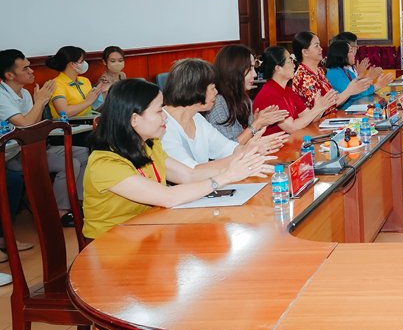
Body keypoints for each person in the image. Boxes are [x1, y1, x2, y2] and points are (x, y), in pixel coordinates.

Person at [82, 79, 270, 239]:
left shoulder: (150, 145)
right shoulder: (105, 163)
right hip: (112, 242)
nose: (165, 117)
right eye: (158, 111)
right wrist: (226, 176)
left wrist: (239, 169)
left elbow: (188, 175)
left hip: (149, 229)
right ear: (134, 119)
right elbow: (168, 197)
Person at [1, 49, 88, 227]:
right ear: (9, 75)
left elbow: (35, 125)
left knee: (84, 154)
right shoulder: (2, 96)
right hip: (11, 155)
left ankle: (78, 202)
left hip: (31, 147)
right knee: (70, 164)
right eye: (25, 68)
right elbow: (24, 125)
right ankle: (59, 211)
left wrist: (39, 104)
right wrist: (40, 101)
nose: (31, 71)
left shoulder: (24, 93)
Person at [161, 59, 285, 170]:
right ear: (196, 90)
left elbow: (227, 149)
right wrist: (245, 152)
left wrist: (255, 147)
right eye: (212, 88)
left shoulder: (196, 118)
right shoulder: (163, 124)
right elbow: (189, 172)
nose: (216, 92)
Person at [206, 45, 288, 143]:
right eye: (249, 69)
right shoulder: (217, 103)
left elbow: (248, 140)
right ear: (233, 70)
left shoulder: (244, 100)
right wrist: (256, 124)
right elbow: (227, 148)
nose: (255, 74)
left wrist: (259, 123)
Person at [256, 46, 339, 135]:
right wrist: (318, 109)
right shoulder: (270, 95)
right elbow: (291, 127)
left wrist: (321, 107)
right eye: (290, 61)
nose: (294, 65)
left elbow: (310, 118)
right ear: (278, 69)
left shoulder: (287, 91)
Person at [290, 32, 371, 114]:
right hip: (319, 121)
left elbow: (333, 99)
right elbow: (321, 109)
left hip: (332, 116)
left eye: (319, 45)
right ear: (305, 52)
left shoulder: (319, 70)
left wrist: (350, 90)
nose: (321, 49)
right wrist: (349, 91)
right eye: (316, 46)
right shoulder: (303, 76)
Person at [46, 46, 110, 118]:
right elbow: (64, 112)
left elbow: (94, 108)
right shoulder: (57, 84)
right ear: (72, 64)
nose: (85, 64)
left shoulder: (85, 81)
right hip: (68, 124)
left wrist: (102, 93)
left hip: (89, 122)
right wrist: (88, 101)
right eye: (82, 61)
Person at [326, 41, 394, 107]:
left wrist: (373, 81)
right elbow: (354, 94)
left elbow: (360, 88)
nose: (354, 54)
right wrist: (376, 86)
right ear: (342, 55)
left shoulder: (347, 71)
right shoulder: (334, 73)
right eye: (351, 51)